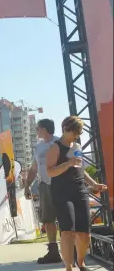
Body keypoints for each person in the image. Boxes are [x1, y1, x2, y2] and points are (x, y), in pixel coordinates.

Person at [46, 116, 107, 271]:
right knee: (67, 231)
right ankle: (68, 266)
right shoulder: (55, 147)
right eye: (75, 132)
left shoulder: (78, 146)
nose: (76, 136)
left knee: (84, 232)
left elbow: (81, 170)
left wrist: (94, 184)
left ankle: (81, 262)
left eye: (78, 133)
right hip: (62, 192)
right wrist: (68, 163)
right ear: (65, 129)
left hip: (80, 190)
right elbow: (50, 171)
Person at [25, 119, 62, 264]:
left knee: (65, 217)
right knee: (48, 219)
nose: (36, 131)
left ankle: (72, 249)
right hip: (44, 185)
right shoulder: (38, 148)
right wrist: (27, 185)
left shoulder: (59, 143)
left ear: (45, 129)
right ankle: (53, 252)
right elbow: (34, 168)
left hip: (60, 184)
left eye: (38, 128)